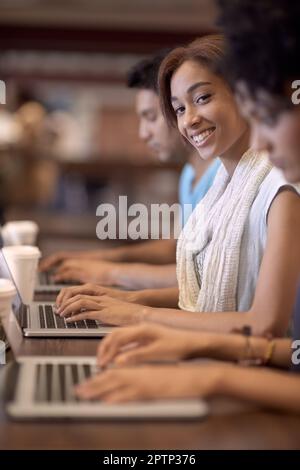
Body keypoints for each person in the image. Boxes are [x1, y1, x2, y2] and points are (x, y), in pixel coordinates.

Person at [72, 1, 300, 413]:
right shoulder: (224, 187)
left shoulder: (281, 188)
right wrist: (135, 306)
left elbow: (266, 326)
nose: (189, 119)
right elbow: (209, 290)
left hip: (255, 387)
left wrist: (140, 315)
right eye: (179, 109)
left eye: (203, 98)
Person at [40, 52, 220, 290]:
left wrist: (112, 273)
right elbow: (180, 247)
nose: (143, 133)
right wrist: (103, 259)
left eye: (151, 117)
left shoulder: (222, 175)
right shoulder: (190, 173)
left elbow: (206, 277)